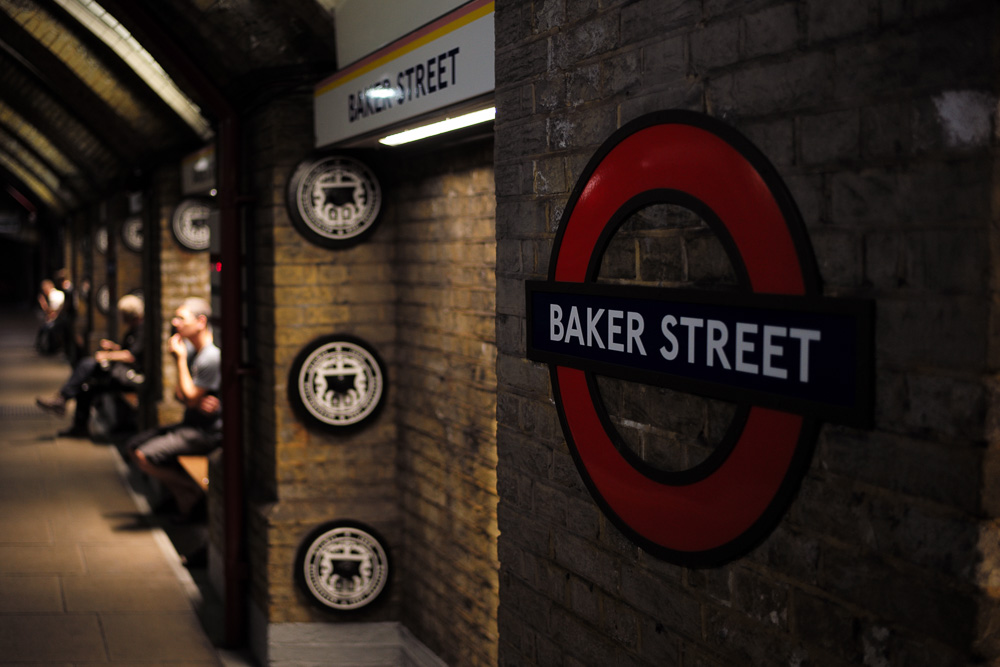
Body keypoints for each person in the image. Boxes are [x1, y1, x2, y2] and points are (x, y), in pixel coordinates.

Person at [127, 297, 221, 522]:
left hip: (207, 432)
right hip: (191, 424)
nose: (175, 322)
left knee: (144, 455)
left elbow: (187, 396)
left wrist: (178, 360)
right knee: (133, 447)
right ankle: (188, 497)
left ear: (200, 322)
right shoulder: (192, 352)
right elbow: (180, 394)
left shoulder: (210, 357)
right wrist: (193, 400)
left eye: (181, 318)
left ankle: (192, 497)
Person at [36, 294, 145, 438]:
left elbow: (131, 356)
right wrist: (114, 347)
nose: (121, 318)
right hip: (122, 373)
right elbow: (128, 350)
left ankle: (62, 399)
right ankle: (78, 426)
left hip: (131, 377)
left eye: (123, 315)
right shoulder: (133, 329)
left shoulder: (142, 330)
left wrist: (108, 356)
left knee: (87, 364)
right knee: (85, 388)